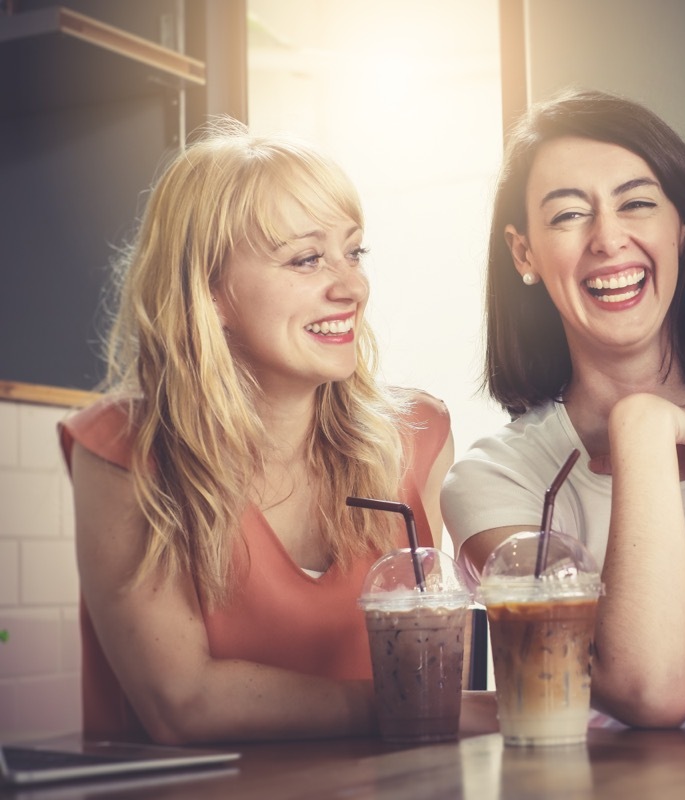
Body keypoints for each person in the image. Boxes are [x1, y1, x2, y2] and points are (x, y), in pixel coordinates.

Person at [59, 119, 495, 743]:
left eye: (354, 251)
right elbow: (183, 704)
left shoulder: (417, 439)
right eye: (307, 258)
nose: (352, 286)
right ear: (211, 292)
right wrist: (415, 709)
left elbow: (431, 650)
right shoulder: (125, 452)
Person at [442, 89, 685, 728]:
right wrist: (642, 426)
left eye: (637, 204)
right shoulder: (493, 482)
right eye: (568, 215)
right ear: (524, 254)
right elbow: (649, 691)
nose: (609, 239)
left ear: (683, 230)